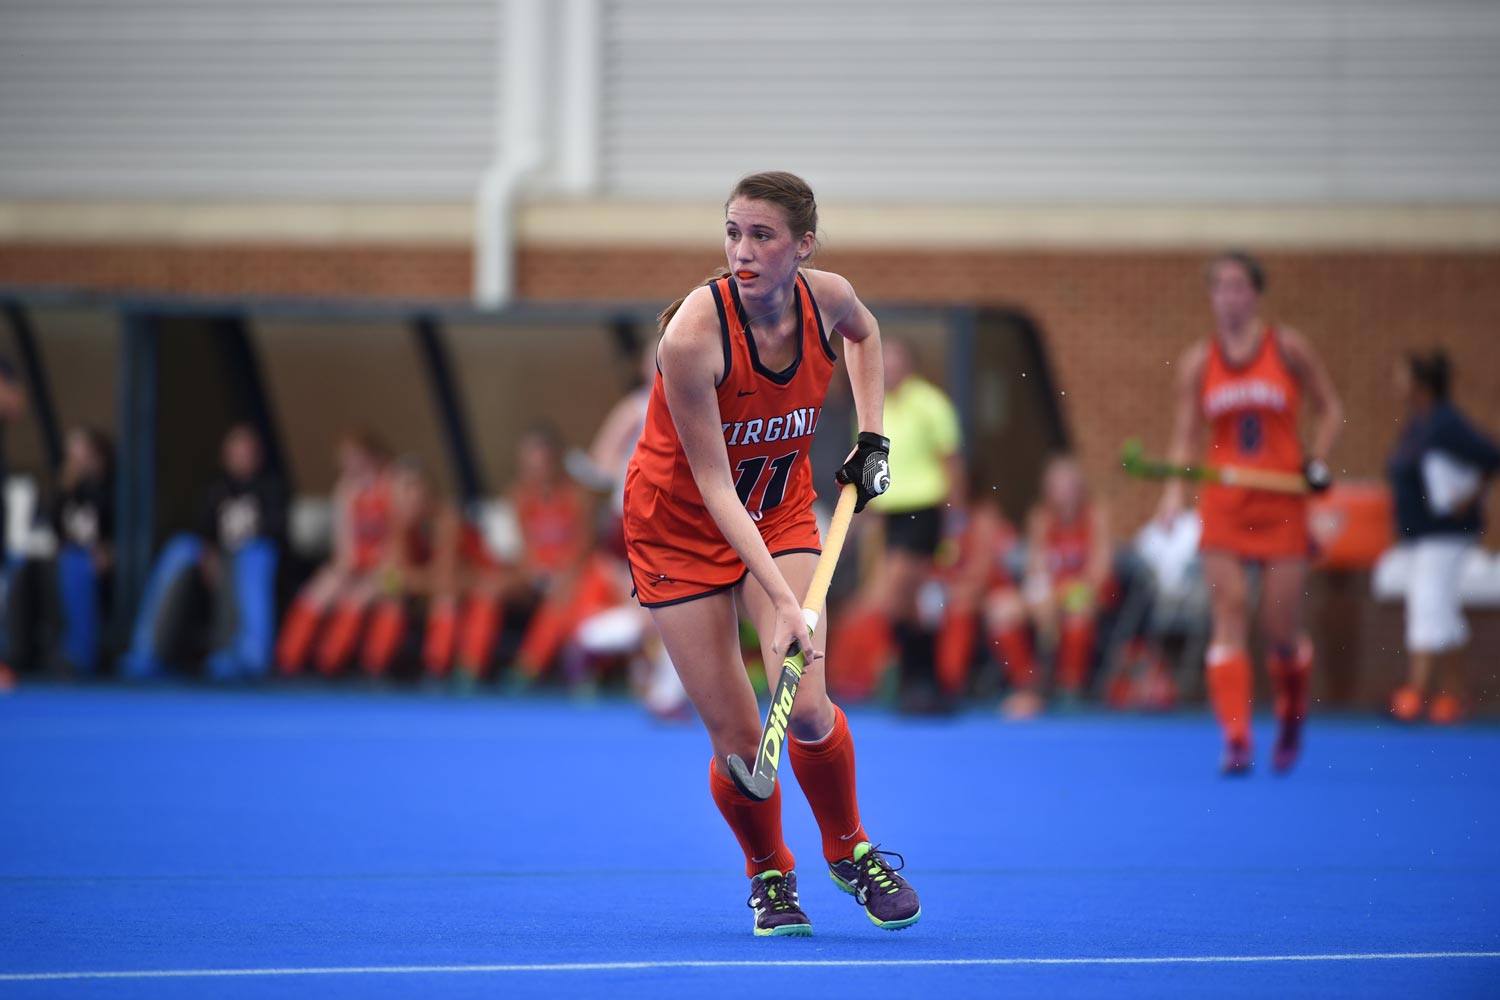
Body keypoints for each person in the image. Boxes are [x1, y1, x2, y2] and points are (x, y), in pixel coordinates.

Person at [623, 171, 919, 937]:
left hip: (779, 508)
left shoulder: (830, 298)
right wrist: (785, 604)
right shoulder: (692, 338)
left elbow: (867, 333)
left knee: (809, 705)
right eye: (732, 233)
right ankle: (769, 875)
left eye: (762, 236)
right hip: (679, 529)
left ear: (803, 246)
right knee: (741, 740)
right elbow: (716, 490)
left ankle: (850, 848)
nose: (742, 252)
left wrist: (872, 436)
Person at [1157, 251, 1343, 775]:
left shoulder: (1287, 347)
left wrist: (1319, 460)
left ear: (1256, 294)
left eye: (1239, 287)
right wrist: (1173, 492)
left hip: (1282, 501)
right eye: (1220, 288)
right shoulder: (1199, 362)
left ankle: (1289, 715)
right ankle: (1236, 739)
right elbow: (1185, 435)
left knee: (1280, 628)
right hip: (1224, 505)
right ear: (1211, 297)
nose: (1230, 297)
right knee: (1229, 611)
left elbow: (1331, 408)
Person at [121, 423, 288, 681]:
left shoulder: (272, 486)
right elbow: (203, 530)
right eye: (237, 451)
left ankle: (248, 654)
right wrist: (207, 555)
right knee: (180, 547)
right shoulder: (215, 487)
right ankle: (147, 651)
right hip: (217, 557)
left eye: (248, 451)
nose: (242, 457)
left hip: (252, 559)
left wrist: (232, 556)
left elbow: (276, 534)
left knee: (254, 556)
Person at [1386, 351, 1499, 723]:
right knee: (1442, 608)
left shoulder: (1445, 423)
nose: (1396, 384)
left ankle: (1415, 691)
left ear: (1421, 384)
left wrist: (1474, 495)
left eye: (1403, 377)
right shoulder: (1417, 424)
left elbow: (1491, 456)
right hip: (1421, 535)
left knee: (1427, 603)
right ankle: (1455, 694)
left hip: (1446, 534)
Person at [865, 338, 965, 714]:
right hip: (892, 514)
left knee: (899, 591)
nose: (888, 369)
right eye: (883, 363)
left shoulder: (931, 404)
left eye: (893, 361)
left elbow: (952, 462)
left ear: (909, 363)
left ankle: (923, 679)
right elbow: (871, 461)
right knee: (905, 603)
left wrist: (955, 518)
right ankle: (920, 680)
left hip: (925, 509)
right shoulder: (876, 408)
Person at [362, 458, 506, 680]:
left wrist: (407, 580)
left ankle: (441, 669)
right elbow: (388, 578)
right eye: (402, 490)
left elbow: (444, 579)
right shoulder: (399, 522)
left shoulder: (447, 519)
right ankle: (374, 669)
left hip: (477, 579)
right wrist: (404, 579)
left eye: (413, 487)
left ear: (428, 490)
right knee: (390, 598)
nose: (408, 496)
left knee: (444, 600)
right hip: (437, 584)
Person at [507, 425, 621, 689]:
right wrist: (536, 573)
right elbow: (525, 548)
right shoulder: (519, 497)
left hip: (577, 572)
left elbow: (586, 547)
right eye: (530, 466)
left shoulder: (579, 496)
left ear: (556, 462)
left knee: (576, 594)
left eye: (541, 464)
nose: (536, 472)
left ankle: (536, 666)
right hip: (537, 575)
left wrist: (563, 577)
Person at [275, 430, 393, 676]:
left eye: (354, 456)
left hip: (390, 570)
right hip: (357, 565)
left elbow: (398, 545)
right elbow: (345, 544)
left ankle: (333, 661)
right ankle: (288, 660)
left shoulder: (391, 487)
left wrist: (371, 572)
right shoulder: (346, 490)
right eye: (345, 457)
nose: (349, 463)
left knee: (358, 598)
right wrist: (343, 570)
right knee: (318, 592)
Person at [9, 428, 114, 675]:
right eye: (73, 456)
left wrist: (108, 552)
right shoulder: (66, 491)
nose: (77, 462)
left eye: (83, 455)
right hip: (64, 562)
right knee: (26, 564)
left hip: (92, 567)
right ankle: (18, 651)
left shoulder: (111, 489)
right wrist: (67, 487)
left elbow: (115, 540)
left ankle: (79, 654)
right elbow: (54, 533)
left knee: (76, 564)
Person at [1018, 454, 1114, 707]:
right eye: (1058, 486)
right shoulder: (1040, 518)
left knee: (1077, 611)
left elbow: (1098, 572)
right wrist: (1047, 593)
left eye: (1069, 485)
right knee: (1002, 609)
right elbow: (1035, 566)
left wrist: (1061, 593)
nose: (1064, 493)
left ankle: (1068, 686)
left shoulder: (1095, 516)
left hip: (1086, 592)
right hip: (1050, 595)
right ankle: (1030, 682)